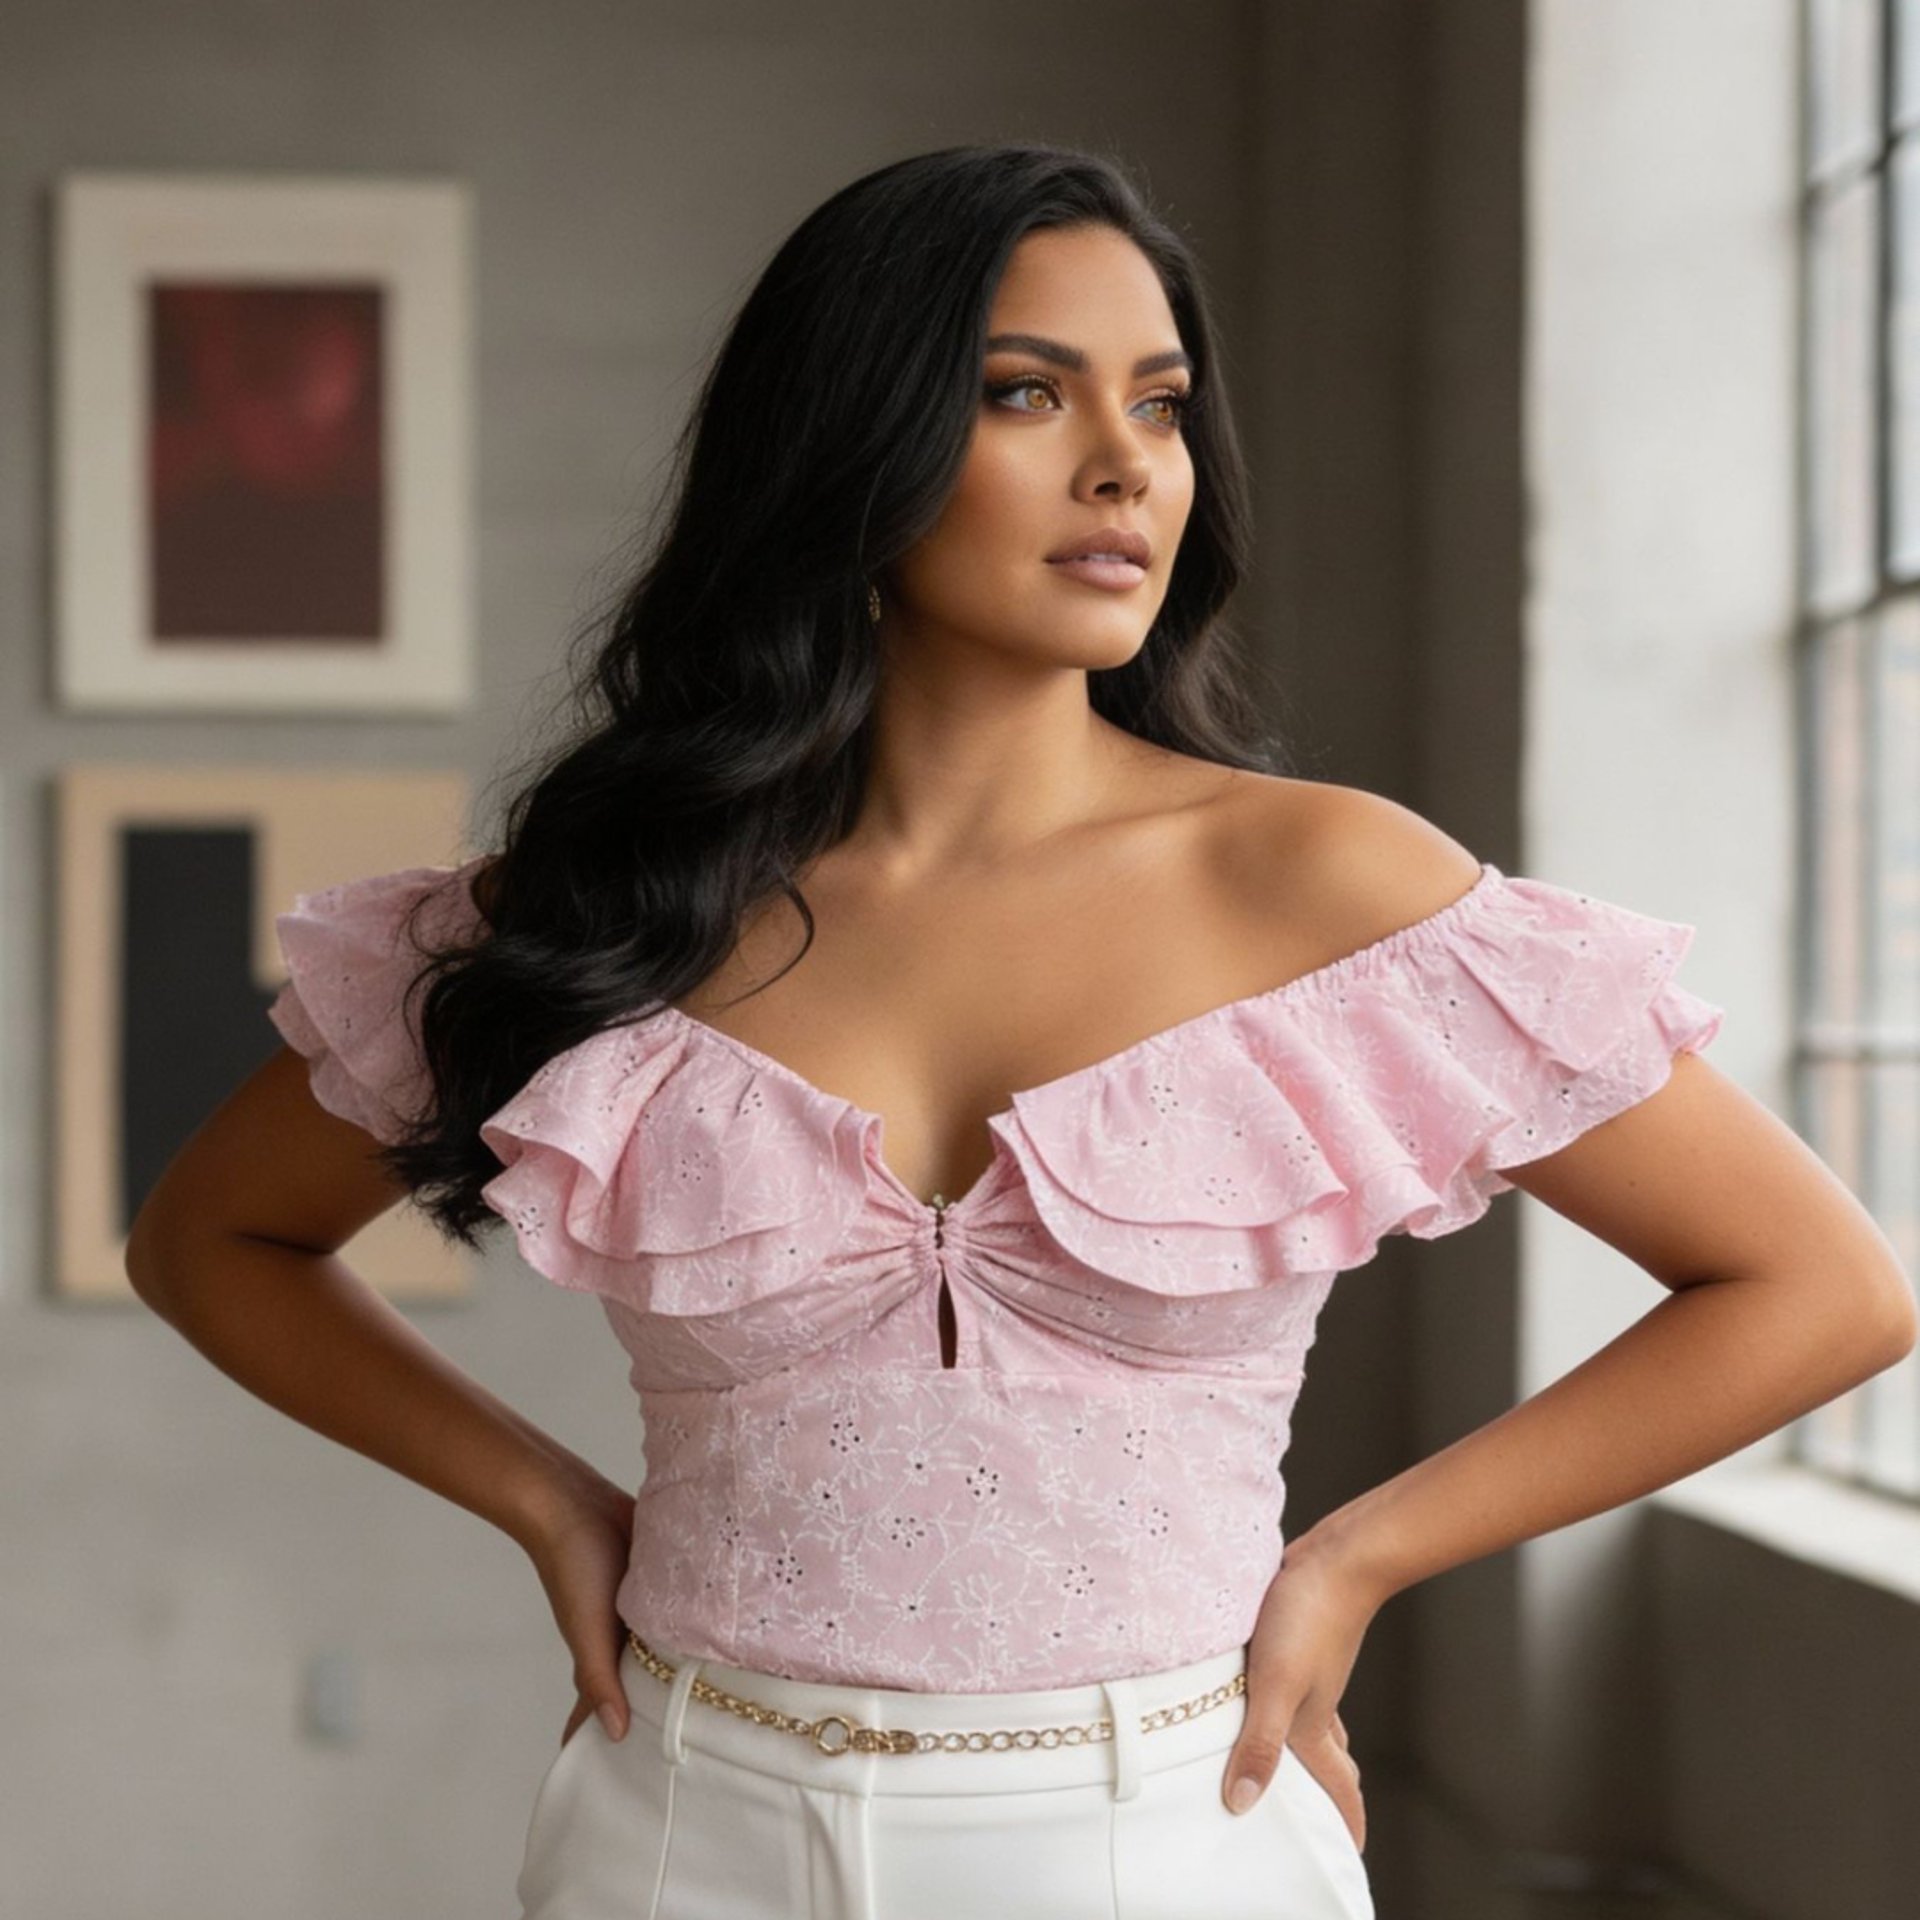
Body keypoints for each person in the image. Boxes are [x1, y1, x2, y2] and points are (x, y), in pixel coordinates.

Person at [126, 143, 1916, 1920]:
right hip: (681, 1828)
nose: (1130, 463)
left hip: (1169, 1832)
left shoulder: (1321, 884)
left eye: (1160, 404)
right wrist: (547, 1501)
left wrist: (1357, 1562)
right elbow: (212, 1237)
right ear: (852, 446)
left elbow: (1823, 1289)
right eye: (1023, 394)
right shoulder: (601, 907)